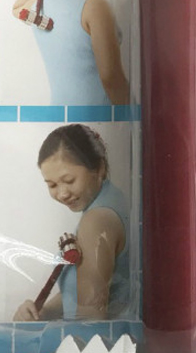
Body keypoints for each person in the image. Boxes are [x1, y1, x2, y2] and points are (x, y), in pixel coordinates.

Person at [14, 124, 129, 321]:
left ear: (99, 168)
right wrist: (43, 313)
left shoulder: (96, 220)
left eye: (69, 180)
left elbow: (89, 317)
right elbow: (86, 291)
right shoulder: (114, 201)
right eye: (52, 185)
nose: (62, 194)